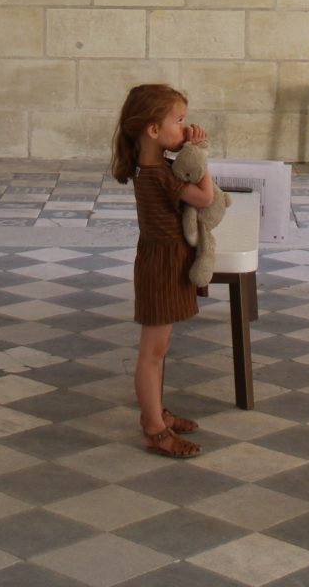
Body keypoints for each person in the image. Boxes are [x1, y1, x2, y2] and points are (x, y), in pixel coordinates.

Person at [109, 83, 213, 460]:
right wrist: (198, 153)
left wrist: (187, 149)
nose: (186, 129)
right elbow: (205, 197)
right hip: (160, 266)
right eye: (180, 121)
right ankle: (154, 428)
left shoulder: (157, 166)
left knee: (160, 348)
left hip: (164, 260)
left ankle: (157, 412)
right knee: (152, 352)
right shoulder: (157, 174)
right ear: (153, 130)